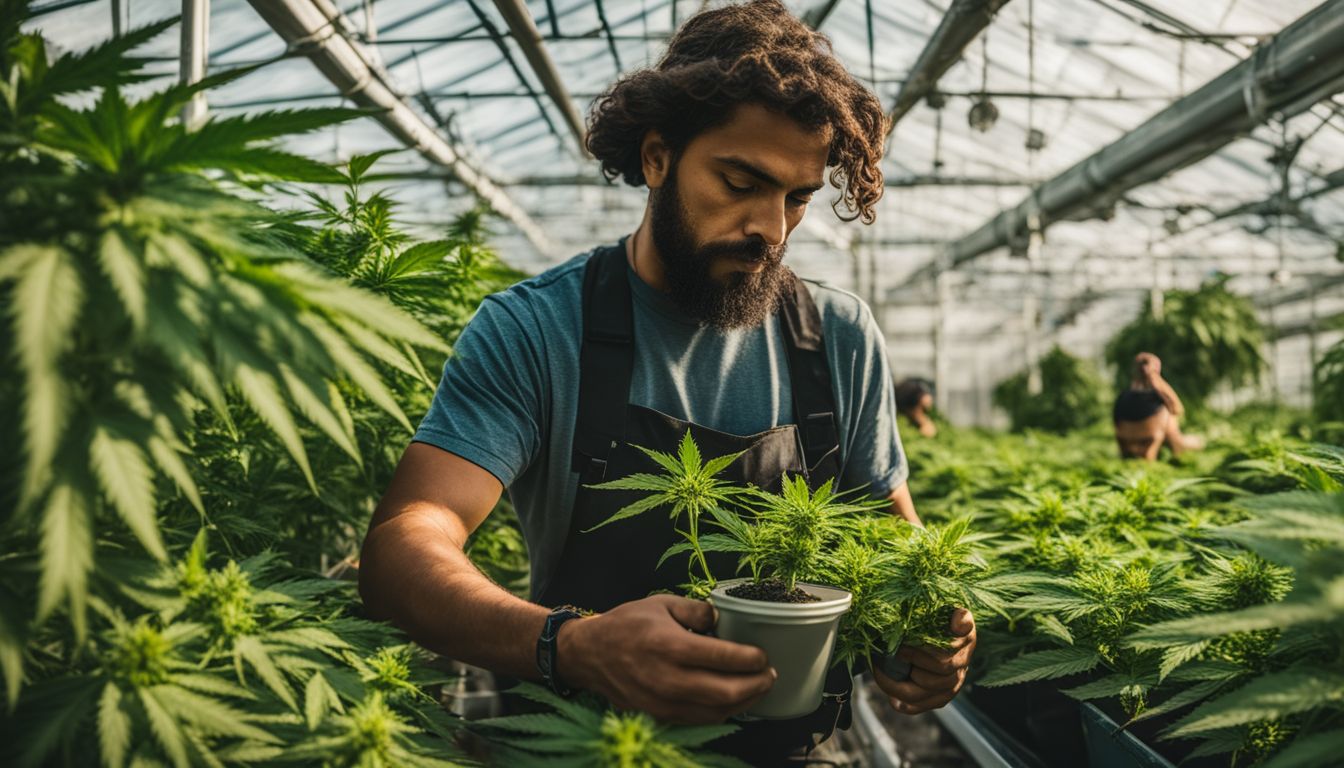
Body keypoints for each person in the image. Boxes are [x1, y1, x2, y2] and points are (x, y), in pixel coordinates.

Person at [357, 2, 976, 763]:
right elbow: (404, 541)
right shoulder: (538, 330)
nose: (772, 230)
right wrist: (571, 644)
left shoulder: (837, 339)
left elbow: (890, 538)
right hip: (588, 744)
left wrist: (921, 633)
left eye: (798, 198)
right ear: (656, 158)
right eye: (740, 181)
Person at [1113, 352, 1205, 460]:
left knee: (1164, 414)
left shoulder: (1123, 396)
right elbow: (1179, 410)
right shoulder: (1157, 396)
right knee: (1170, 414)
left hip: (1125, 439)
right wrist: (1157, 380)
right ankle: (1179, 451)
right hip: (1150, 439)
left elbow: (1116, 422)